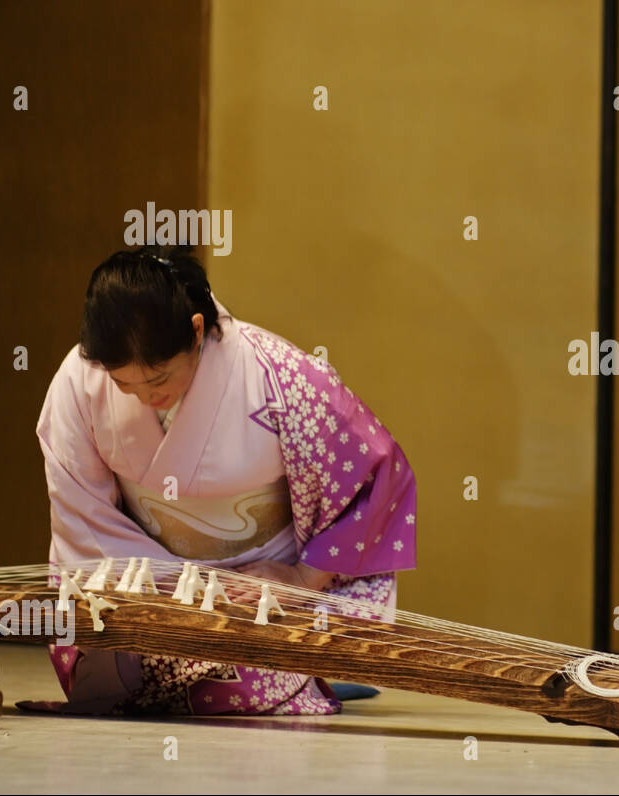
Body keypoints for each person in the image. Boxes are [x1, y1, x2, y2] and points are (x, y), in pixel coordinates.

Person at [24, 244, 417, 716]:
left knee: (243, 677)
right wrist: (177, 597)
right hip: (144, 588)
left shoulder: (280, 376)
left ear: (195, 331)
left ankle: (305, 673)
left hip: (260, 594)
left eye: (159, 379)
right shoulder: (78, 379)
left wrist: (301, 576)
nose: (146, 397)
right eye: (125, 385)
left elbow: (373, 475)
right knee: (106, 672)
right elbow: (81, 512)